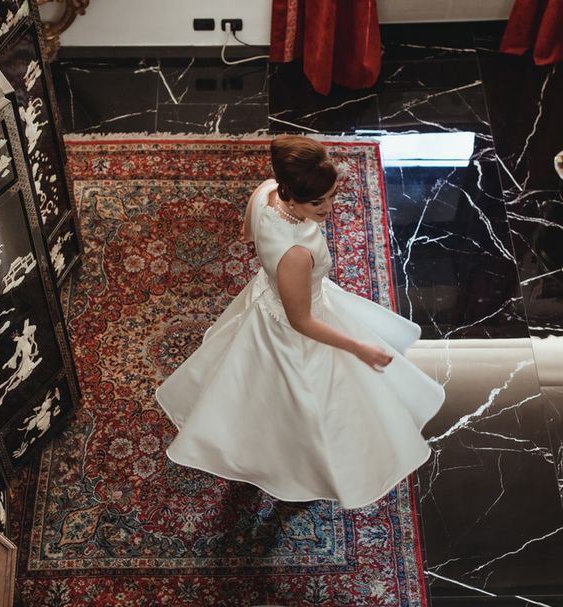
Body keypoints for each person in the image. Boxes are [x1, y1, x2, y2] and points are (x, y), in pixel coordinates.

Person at [155, 135, 445, 509]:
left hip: (264, 299)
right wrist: (359, 347)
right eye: (317, 202)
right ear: (292, 197)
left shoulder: (267, 192)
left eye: (330, 196)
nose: (328, 207)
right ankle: (294, 465)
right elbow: (302, 322)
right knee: (303, 401)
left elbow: (247, 233)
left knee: (259, 392)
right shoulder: (295, 254)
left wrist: (268, 259)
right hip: (290, 328)